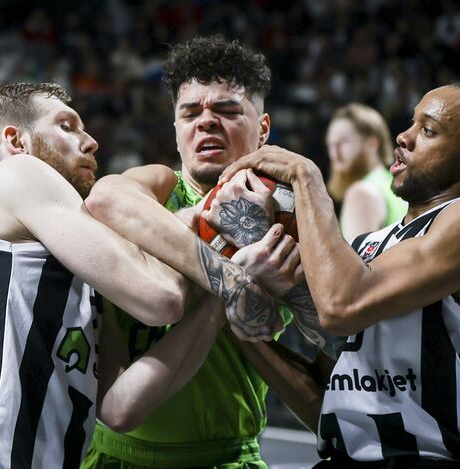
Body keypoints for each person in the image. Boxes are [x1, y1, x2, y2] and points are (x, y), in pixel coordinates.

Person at [0, 82, 275, 468]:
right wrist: (220, 231)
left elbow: (119, 409)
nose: (91, 141)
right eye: (67, 126)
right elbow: (162, 297)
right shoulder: (17, 174)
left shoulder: (71, 262)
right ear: (17, 142)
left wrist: (218, 299)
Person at [214, 82, 460, 468]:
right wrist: (225, 301)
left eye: (428, 130)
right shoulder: (369, 244)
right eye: (411, 123)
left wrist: (306, 176)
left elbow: (342, 306)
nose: (404, 136)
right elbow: (337, 399)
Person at [83, 35, 336, 469]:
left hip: (229, 456)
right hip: (118, 455)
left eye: (227, 110)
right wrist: (222, 239)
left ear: (264, 129)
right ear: (176, 130)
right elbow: (105, 197)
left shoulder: (295, 224)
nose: (206, 121)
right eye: (190, 113)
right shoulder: (156, 188)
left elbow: (327, 391)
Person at [325, 103, 407, 243]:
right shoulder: (395, 183)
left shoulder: (362, 192)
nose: (335, 153)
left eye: (343, 142)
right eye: (331, 144)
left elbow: (355, 264)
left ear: (372, 144)